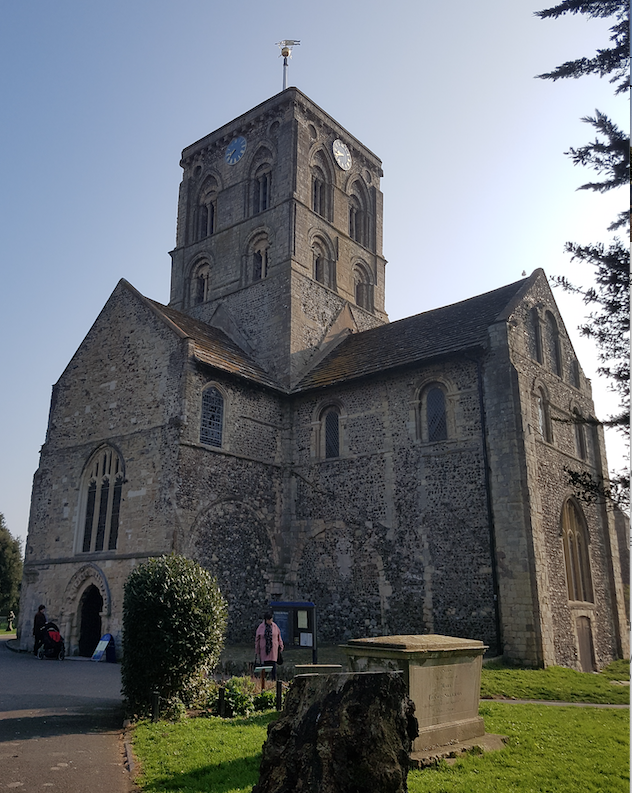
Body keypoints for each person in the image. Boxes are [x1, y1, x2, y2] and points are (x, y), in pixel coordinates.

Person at [255, 610, 284, 681]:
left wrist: (281, 646)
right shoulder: (261, 627)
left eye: (271, 619)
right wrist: (257, 650)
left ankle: (273, 681)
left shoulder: (275, 627)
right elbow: (257, 639)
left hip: (273, 651)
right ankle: (264, 683)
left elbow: (278, 636)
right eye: (269, 619)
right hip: (264, 651)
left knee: (273, 668)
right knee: (264, 669)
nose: (270, 621)